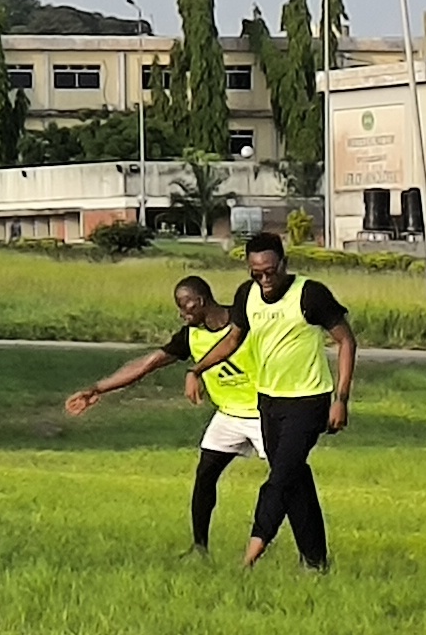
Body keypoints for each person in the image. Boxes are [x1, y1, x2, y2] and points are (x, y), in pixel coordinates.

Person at [65, 274, 260, 548]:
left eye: (184, 306)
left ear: (200, 301)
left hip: (265, 413)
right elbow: (147, 364)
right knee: (205, 477)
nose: (181, 314)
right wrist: (96, 389)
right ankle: (199, 547)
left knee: (288, 479)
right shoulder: (190, 336)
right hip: (229, 415)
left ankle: (303, 550)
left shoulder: (244, 321)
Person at [227, 229, 356, 573]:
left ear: (284, 263)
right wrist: (196, 369)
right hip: (269, 401)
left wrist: (341, 399)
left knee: (280, 479)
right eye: (257, 273)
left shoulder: (310, 294)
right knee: (294, 477)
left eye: (271, 270)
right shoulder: (247, 295)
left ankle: (252, 551)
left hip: (309, 401)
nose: (266, 279)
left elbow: (346, 341)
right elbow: (233, 338)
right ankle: (315, 562)